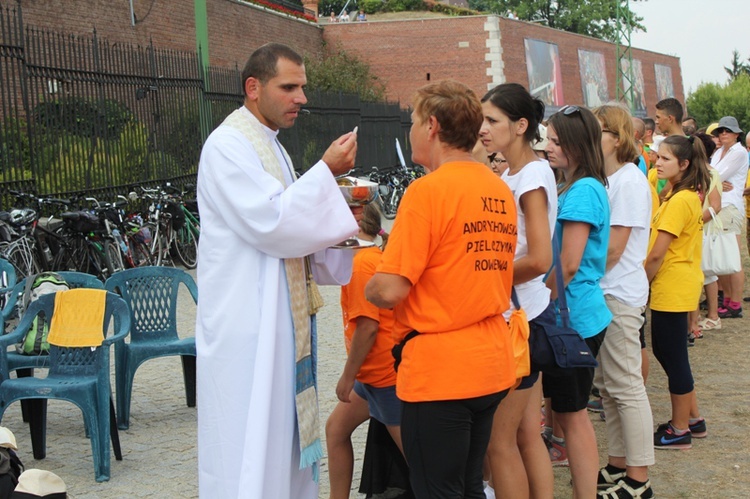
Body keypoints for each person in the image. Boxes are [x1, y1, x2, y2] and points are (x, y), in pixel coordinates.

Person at [195, 43, 360, 498]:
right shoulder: (228, 145)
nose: (301, 97)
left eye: (302, 87)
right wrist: (326, 172)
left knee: (282, 444)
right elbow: (272, 221)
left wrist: (347, 221)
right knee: (250, 444)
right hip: (247, 325)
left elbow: (294, 220)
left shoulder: (275, 149)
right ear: (253, 88)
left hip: (279, 320)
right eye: (289, 87)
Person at [365, 80, 518, 498]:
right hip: (490, 361)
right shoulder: (497, 189)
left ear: (431, 126)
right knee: (468, 485)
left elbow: (391, 289)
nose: (410, 131)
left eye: (413, 121)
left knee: (436, 489)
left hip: (442, 371)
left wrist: (367, 281)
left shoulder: (427, 191)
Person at [479, 82, 555, 499]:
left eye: (493, 120)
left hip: (519, 318)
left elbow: (541, 258)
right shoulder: (513, 171)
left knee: (499, 443)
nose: (483, 129)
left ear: (521, 125)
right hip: (523, 313)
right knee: (526, 435)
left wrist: (485, 273)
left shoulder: (530, 176)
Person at [543, 105, 611, 498]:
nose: (548, 147)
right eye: (548, 139)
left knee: (574, 417)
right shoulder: (580, 185)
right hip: (579, 314)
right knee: (571, 415)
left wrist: (540, 300)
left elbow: (568, 263)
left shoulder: (583, 189)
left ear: (577, 145)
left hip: (576, 318)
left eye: (556, 141)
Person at [591, 104, 655, 498]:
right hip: (607, 290)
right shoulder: (610, 179)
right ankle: (618, 463)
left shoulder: (629, 181)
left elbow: (613, 249)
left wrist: (575, 274)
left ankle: (638, 477)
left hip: (618, 292)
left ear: (616, 138)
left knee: (626, 385)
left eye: (598, 131)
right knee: (609, 385)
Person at [326, 204, 403, 499]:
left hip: (384, 377)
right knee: (335, 429)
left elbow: (368, 329)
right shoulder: (372, 257)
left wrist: (347, 377)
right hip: (372, 378)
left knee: (421, 466)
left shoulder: (361, 265)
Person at [645, 135, 709, 450]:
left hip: (672, 283)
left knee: (672, 355)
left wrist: (643, 281)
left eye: (665, 159)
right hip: (677, 282)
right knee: (669, 353)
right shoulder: (679, 195)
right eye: (658, 158)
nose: (658, 163)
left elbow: (657, 253)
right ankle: (693, 418)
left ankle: (680, 428)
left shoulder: (681, 199)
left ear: (683, 164)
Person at [709, 117, 748, 319]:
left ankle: (735, 303)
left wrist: (715, 180)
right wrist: (715, 180)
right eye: (721, 131)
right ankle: (726, 299)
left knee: (733, 257)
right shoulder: (718, 152)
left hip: (730, 207)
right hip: (719, 206)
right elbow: (714, 175)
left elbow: (716, 175)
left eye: (727, 131)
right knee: (722, 256)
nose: (723, 134)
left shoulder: (739, 152)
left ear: (736, 134)